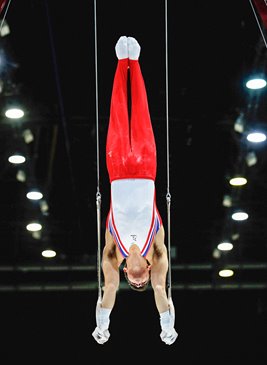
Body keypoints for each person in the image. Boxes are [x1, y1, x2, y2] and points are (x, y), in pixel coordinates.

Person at [92, 36, 178, 345]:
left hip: (117, 172)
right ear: (150, 271)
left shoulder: (112, 252)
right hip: (145, 170)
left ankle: (121, 63)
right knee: (141, 112)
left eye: (134, 281)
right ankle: (135, 63)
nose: (140, 280)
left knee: (117, 113)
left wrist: (103, 322)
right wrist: (166, 324)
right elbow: (160, 289)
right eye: (144, 279)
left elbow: (109, 288)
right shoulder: (157, 250)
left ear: (128, 273)